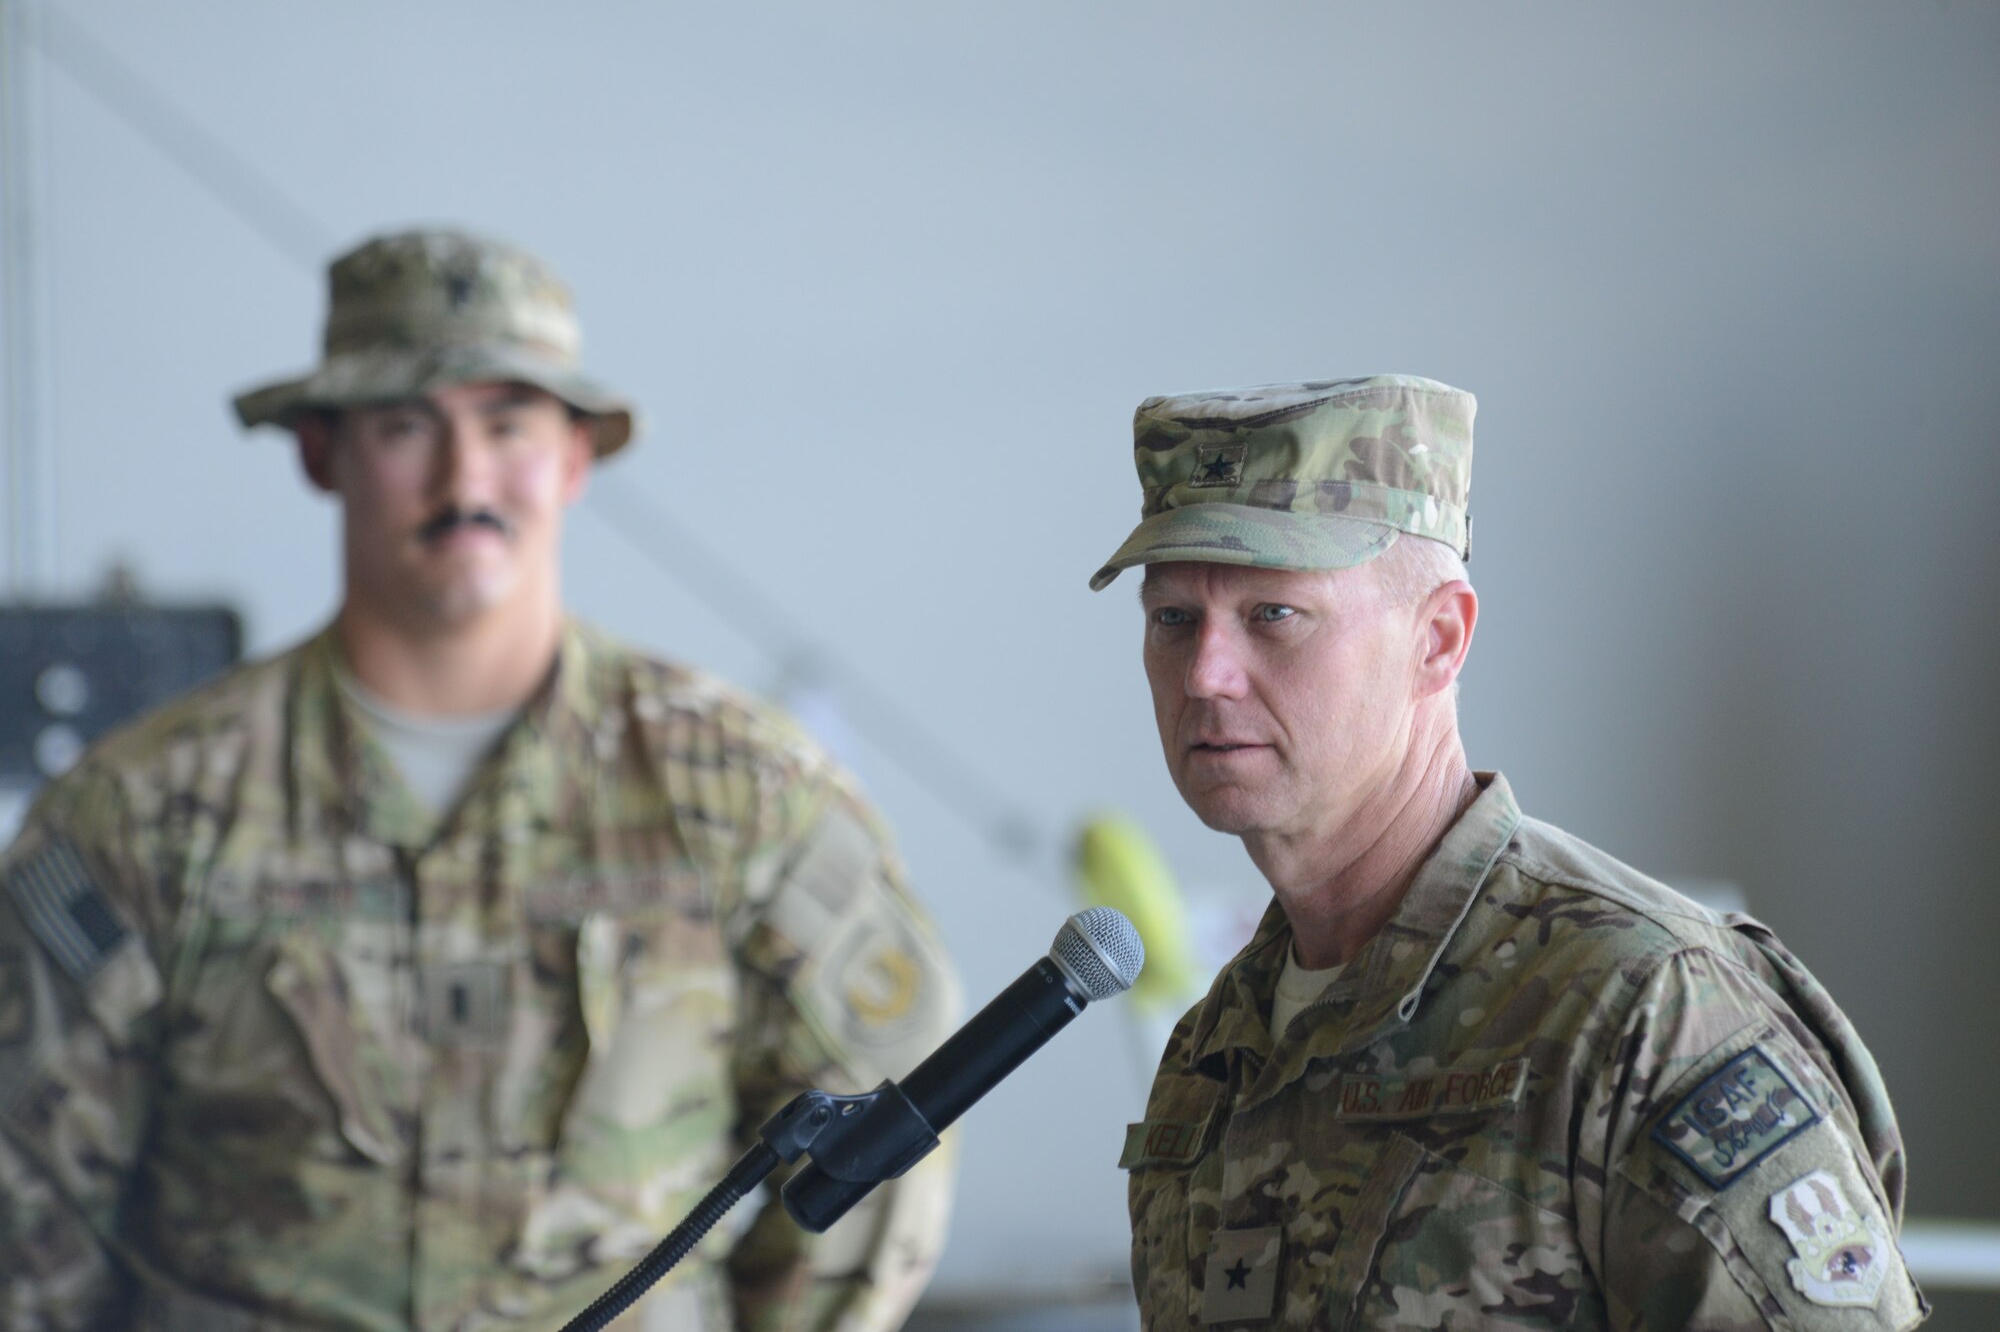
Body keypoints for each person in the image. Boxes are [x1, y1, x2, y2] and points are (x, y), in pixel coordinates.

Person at [0, 229, 959, 1331]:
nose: (465, 480)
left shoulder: (742, 797)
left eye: (506, 423)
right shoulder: (146, 812)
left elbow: (875, 1147)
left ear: (573, 456)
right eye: (409, 427)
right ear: (321, 453)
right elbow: (32, 1210)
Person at [1094, 376, 1926, 1329]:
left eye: (1273, 613)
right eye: (1173, 618)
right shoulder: (1217, 1048)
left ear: (1438, 640)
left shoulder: (1644, 1011)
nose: (1204, 672)